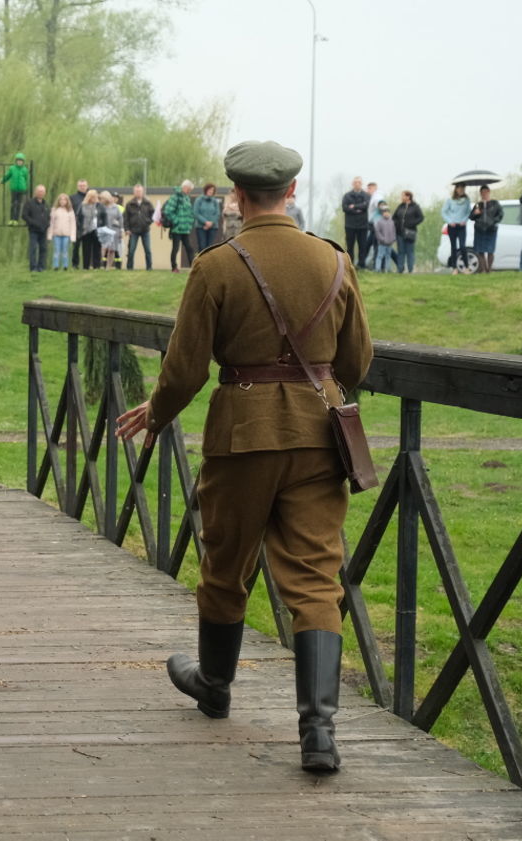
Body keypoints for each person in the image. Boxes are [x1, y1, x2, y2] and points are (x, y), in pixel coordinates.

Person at [116, 139, 373, 775]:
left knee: (225, 564)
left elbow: (185, 368)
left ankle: (216, 686)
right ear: (290, 193)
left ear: (236, 196)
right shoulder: (334, 262)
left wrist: (159, 410)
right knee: (315, 578)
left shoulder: (216, 265)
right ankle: (318, 732)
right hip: (319, 438)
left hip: (242, 437)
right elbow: (357, 361)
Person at [162, 180, 196, 272]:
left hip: (185, 229)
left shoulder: (186, 198)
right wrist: (177, 221)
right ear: (184, 187)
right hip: (177, 228)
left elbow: (189, 212)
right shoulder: (175, 197)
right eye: (189, 189)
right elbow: (168, 211)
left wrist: (190, 221)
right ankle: (174, 267)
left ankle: (193, 268)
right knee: (175, 248)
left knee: (189, 248)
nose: (189, 191)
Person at [469, 185, 503, 274]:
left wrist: (493, 221)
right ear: (480, 193)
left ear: (489, 192)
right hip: (480, 230)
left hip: (491, 229)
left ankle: (489, 269)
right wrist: (476, 213)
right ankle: (483, 269)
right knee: (480, 250)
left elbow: (500, 214)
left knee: (490, 250)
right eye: (482, 192)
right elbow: (471, 217)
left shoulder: (495, 203)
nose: (484, 194)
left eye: (485, 192)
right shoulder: (478, 205)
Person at [392, 191, 423, 274]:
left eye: (403, 196)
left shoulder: (415, 207)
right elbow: (394, 217)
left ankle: (410, 269)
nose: (401, 197)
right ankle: (400, 269)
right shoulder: (400, 206)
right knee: (401, 251)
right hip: (399, 232)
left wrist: (412, 223)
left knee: (410, 251)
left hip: (410, 232)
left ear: (408, 196)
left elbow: (421, 217)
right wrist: (396, 223)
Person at [341, 176, 370, 267]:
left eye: (359, 182)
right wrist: (359, 209)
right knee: (350, 246)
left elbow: (366, 206)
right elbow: (345, 208)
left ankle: (362, 265)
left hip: (363, 225)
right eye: (355, 182)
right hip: (350, 225)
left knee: (362, 246)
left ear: (361, 184)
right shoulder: (347, 196)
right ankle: (350, 265)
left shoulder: (367, 196)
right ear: (353, 184)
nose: (357, 184)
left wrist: (353, 206)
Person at [124, 184, 154, 270]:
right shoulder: (129, 204)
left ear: (143, 192)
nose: (138, 193)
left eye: (140, 191)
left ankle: (149, 267)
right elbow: (126, 218)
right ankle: (129, 268)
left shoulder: (148, 203)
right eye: (136, 191)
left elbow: (153, 215)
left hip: (145, 230)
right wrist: (127, 229)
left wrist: (147, 222)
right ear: (134, 192)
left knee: (148, 250)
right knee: (131, 250)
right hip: (133, 231)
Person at [442, 184, 470, 275]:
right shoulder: (450, 200)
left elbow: (468, 212)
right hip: (452, 226)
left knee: (462, 246)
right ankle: (454, 268)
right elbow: (443, 212)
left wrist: (464, 220)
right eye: (460, 188)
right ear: (456, 189)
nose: (461, 190)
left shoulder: (466, 200)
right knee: (453, 247)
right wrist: (450, 221)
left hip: (462, 226)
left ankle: (466, 267)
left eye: (463, 189)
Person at [74, 190, 105, 270]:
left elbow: (104, 217)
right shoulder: (82, 205)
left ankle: (96, 266)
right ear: (89, 197)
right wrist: (79, 228)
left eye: (95, 197)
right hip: (85, 230)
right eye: (92, 197)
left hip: (97, 229)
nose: (94, 198)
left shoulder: (99, 206)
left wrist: (103, 227)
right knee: (86, 249)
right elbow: (78, 217)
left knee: (97, 249)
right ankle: (86, 266)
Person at [22, 184, 50, 272]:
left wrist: (47, 224)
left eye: (43, 191)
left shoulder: (46, 204)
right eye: (39, 191)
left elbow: (49, 216)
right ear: (36, 192)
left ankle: (41, 267)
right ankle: (33, 267)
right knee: (33, 249)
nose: (41, 193)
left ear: (45, 193)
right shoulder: (29, 203)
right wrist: (34, 223)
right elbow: (24, 216)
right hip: (33, 230)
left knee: (43, 249)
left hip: (43, 230)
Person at [48, 193, 76, 270]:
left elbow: (73, 224)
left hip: (66, 234)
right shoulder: (54, 210)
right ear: (58, 201)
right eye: (61, 200)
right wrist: (50, 235)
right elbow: (51, 223)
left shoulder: (70, 211)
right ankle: (56, 265)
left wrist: (72, 236)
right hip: (56, 234)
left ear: (67, 201)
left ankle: (65, 265)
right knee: (56, 250)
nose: (63, 201)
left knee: (65, 250)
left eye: (64, 200)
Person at [1, 152, 30, 222]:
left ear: (23, 162)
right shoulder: (12, 168)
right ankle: (11, 219)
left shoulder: (25, 170)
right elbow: (7, 176)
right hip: (14, 189)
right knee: (13, 204)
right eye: (18, 160)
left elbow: (27, 179)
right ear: (16, 161)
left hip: (21, 189)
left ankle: (16, 219)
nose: (19, 162)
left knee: (19, 204)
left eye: (21, 161)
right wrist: (2, 181)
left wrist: (26, 188)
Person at [98, 191, 123, 269]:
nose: (101, 200)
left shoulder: (116, 208)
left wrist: (120, 228)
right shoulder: (100, 207)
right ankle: (99, 265)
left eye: (102, 198)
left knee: (112, 249)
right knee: (103, 248)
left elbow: (121, 219)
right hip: (103, 230)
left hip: (114, 230)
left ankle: (108, 267)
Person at [362, 181, 384, 268]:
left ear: (374, 188)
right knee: (369, 245)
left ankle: (377, 266)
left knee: (376, 245)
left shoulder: (377, 197)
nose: (368, 190)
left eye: (369, 188)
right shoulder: (374, 196)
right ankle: (364, 264)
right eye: (368, 188)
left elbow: (382, 205)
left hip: (377, 225)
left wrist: (386, 214)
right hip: (373, 225)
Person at [193, 183, 222, 250]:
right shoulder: (199, 200)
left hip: (213, 227)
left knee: (210, 247)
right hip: (201, 227)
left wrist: (211, 223)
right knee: (202, 246)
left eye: (212, 190)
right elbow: (196, 213)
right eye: (209, 189)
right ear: (206, 190)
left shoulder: (215, 201)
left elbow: (217, 214)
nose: (211, 191)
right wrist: (205, 222)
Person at [70, 179, 90, 268]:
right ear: (77, 187)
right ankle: (75, 264)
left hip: (88, 226)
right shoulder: (72, 198)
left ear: (87, 186)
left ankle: (86, 265)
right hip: (76, 225)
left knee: (87, 247)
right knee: (76, 246)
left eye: (84, 186)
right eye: (80, 186)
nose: (82, 187)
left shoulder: (91, 197)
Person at [373, 205, 396, 272]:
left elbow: (394, 231)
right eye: (384, 212)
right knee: (380, 256)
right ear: (382, 213)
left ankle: (388, 269)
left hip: (390, 243)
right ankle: (378, 269)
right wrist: (382, 239)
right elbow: (377, 232)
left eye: (387, 212)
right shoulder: (379, 222)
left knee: (388, 256)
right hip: (382, 243)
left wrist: (393, 239)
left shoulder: (391, 221)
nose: (386, 213)